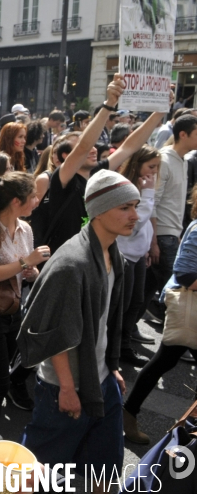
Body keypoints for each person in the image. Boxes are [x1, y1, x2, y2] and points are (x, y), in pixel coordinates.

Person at [19, 169, 141, 493]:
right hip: (64, 387)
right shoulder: (71, 264)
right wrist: (69, 388)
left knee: (103, 473)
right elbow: (54, 332)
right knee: (38, 477)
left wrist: (110, 367)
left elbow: (103, 322)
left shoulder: (115, 255)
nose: (135, 216)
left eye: (136, 206)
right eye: (125, 207)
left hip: (100, 381)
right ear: (99, 210)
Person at [44, 74, 168, 255]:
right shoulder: (62, 180)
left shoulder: (97, 173)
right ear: (67, 157)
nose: (93, 149)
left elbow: (129, 147)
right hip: (66, 260)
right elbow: (83, 147)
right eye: (85, 147)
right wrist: (109, 105)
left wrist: (160, 111)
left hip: (94, 257)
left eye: (95, 146)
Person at [0, 172, 50, 441]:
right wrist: (26, 263)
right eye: (33, 197)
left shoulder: (25, 229)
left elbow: (27, 271)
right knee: (0, 381)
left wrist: (32, 272)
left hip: (14, 311)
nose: (37, 201)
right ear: (16, 201)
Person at [123, 185, 197, 444]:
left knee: (162, 362)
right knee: (162, 362)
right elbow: (186, 273)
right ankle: (130, 415)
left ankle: (129, 413)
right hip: (189, 309)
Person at [142, 115, 197, 324]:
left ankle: (127, 336)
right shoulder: (164, 159)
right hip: (162, 235)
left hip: (172, 234)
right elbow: (152, 202)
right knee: (177, 293)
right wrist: (153, 241)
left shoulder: (183, 160)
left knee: (146, 291)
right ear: (183, 134)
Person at [116, 146, 160, 368]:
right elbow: (132, 224)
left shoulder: (144, 186)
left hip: (138, 254)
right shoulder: (127, 187)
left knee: (136, 302)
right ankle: (114, 350)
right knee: (122, 305)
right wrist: (149, 193)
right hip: (124, 254)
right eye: (151, 166)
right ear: (137, 164)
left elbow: (149, 219)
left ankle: (123, 346)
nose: (154, 172)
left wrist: (150, 245)